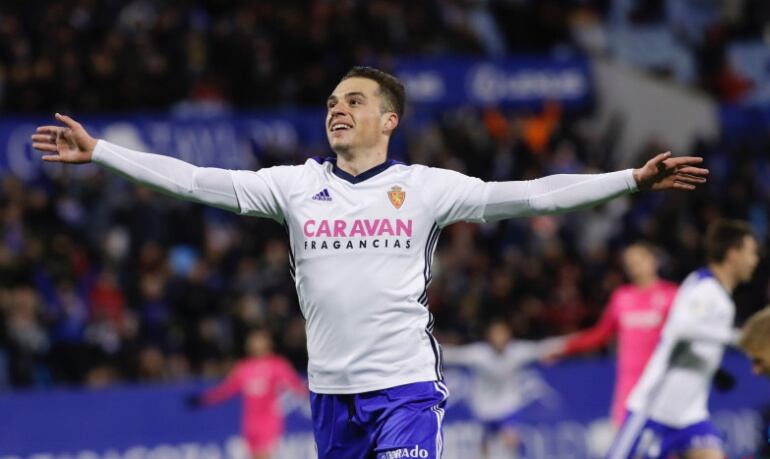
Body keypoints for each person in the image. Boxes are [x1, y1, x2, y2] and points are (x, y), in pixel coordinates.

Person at [31, 66, 708, 459]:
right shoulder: (293, 185)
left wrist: (629, 179)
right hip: (330, 394)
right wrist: (104, 153)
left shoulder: (424, 187)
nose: (337, 109)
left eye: (353, 101)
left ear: (389, 120)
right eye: (331, 102)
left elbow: (533, 196)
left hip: (405, 387)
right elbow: (196, 179)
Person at [606, 219, 760, 459]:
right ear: (733, 255)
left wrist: (714, 370)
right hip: (653, 412)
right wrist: (740, 338)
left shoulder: (721, 298)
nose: (755, 260)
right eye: (751, 252)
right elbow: (682, 328)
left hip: (690, 416)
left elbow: (694, 339)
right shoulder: (704, 288)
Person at [546, 242, 678, 427]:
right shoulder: (622, 297)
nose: (634, 267)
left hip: (663, 384)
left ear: (653, 261)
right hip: (629, 389)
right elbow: (600, 334)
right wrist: (565, 347)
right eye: (629, 263)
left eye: (639, 260)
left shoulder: (672, 295)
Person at [442, 319, 563, 458]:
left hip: (508, 406)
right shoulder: (479, 354)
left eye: (502, 334)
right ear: (489, 336)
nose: (500, 338)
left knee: (511, 439)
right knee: (484, 447)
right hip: (484, 409)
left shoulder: (517, 351)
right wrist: (426, 350)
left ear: (508, 335)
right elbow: (453, 355)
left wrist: (566, 346)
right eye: (496, 334)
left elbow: (541, 348)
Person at [187, 328, 306, 459]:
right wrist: (203, 399)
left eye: (259, 340)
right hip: (250, 423)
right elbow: (226, 390)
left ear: (268, 343)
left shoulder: (277, 365)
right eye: (253, 340)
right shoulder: (243, 368)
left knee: (264, 455)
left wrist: (314, 394)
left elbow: (296, 386)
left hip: (269, 422)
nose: (255, 344)